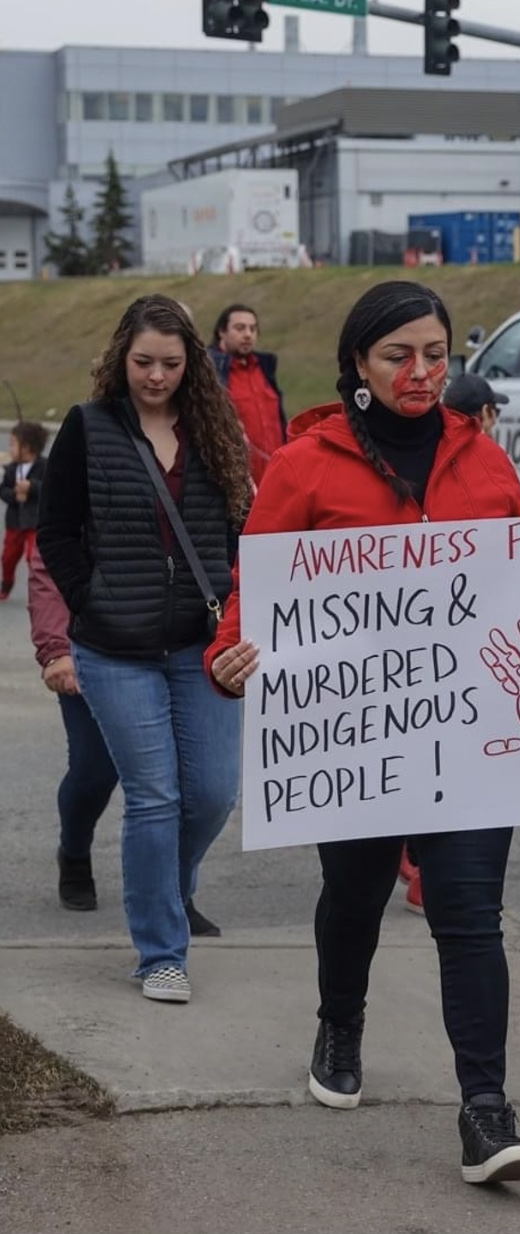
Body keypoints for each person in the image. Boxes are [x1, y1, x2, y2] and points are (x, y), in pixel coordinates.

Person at [204, 279, 520, 1185]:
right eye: (400, 355)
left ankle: (487, 1111)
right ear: (358, 363)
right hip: (358, 741)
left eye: (437, 354)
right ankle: (341, 1017)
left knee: (470, 915)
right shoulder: (306, 464)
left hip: (474, 742)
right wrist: (230, 649)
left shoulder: (482, 463)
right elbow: (256, 585)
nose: (423, 372)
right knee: (354, 898)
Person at [38, 295, 253, 1003]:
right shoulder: (89, 427)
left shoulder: (214, 431)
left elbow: (238, 532)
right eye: (142, 363)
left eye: (169, 363)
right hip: (114, 648)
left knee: (214, 793)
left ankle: (166, 886)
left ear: (191, 362)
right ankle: (161, 950)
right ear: (119, 359)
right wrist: (91, 599)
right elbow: (56, 531)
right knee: (154, 798)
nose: (155, 376)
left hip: (201, 644)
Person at [27, 543, 119, 911]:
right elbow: (49, 559)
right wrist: (56, 649)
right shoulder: (78, 481)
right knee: (94, 769)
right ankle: (75, 851)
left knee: (188, 786)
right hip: (91, 643)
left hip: (179, 645)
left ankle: (176, 891)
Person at [208, 304, 287, 486]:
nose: (248, 334)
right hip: (235, 482)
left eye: (253, 329)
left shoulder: (265, 367)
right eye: (240, 328)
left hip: (275, 477)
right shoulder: (210, 371)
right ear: (222, 332)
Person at [1, 420, 49, 601]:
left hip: (34, 523)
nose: (10, 448)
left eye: (13, 444)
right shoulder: (11, 469)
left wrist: (31, 487)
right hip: (14, 523)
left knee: (33, 557)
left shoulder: (44, 466)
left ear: (26, 447)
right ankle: (6, 584)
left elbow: (49, 488)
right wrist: (14, 494)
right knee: (7, 558)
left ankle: (37, 589)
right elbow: (3, 490)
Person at [442, 372, 508, 439]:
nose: (494, 420)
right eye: (495, 411)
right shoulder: (486, 448)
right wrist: (487, 437)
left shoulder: (435, 441)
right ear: (484, 413)